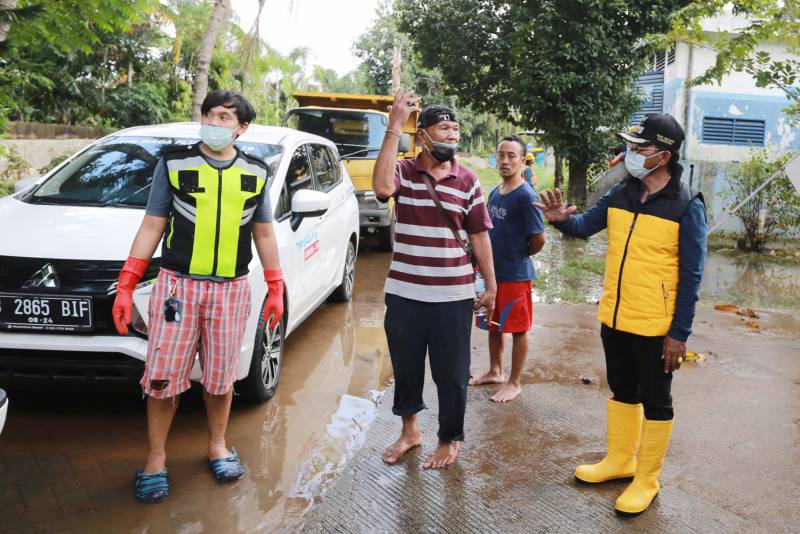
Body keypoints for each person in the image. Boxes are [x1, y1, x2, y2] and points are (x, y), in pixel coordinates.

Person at [112, 90, 284, 503]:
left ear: (242, 127)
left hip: (231, 289)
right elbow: (153, 224)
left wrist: (276, 287)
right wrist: (126, 283)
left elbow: (263, 232)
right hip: (177, 287)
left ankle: (218, 446)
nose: (216, 122)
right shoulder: (174, 163)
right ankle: (155, 460)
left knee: (221, 378)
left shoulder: (257, 171)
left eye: (226, 117)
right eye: (210, 114)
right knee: (161, 379)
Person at [536, 113, 707, 515]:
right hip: (615, 317)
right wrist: (563, 221)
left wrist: (678, 334)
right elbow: (584, 226)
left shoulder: (686, 205)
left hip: (656, 325)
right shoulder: (622, 192)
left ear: (663, 156)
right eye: (630, 146)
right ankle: (620, 461)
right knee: (622, 391)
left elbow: (692, 275)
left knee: (656, 402)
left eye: (639, 148)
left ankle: (647, 478)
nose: (630, 153)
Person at [373, 90, 496, 469]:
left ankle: (449, 438)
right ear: (423, 135)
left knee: (452, 374)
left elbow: (478, 234)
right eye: (443, 128)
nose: (452, 135)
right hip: (405, 293)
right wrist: (394, 126)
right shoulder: (405, 171)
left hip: (453, 295)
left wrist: (491, 286)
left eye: (455, 130)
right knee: (407, 369)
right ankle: (411, 432)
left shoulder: (468, 180)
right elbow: (381, 189)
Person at [469, 135, 545, 403]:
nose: (505, 160)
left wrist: (518, 255)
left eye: (511, 156)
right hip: (492, 274)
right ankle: (495, 370)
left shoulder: (526, 195)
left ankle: (514, 382)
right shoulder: (495, 192)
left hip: (515, 275)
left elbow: (539, 238)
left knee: (519, 328)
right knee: (494, 325)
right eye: (501, 154)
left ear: (522, 161)